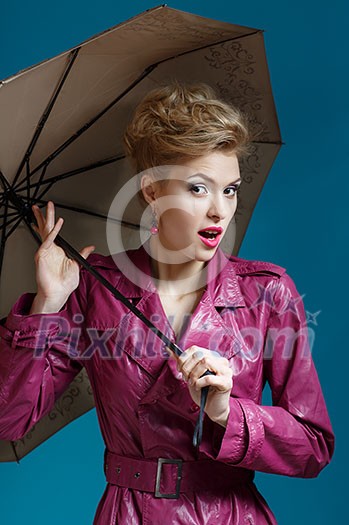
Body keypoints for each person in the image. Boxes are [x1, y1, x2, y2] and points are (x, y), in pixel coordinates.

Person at [0, 83, 334, 524]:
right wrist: (47, 304)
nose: (219, 210)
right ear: (153, 191)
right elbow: (8, 423)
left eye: (230, 189)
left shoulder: (267, 292)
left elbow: (312, 448)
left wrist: (226, 413)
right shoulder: (96, 288)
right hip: (129, 514)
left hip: (232, 515)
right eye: (199, 188)